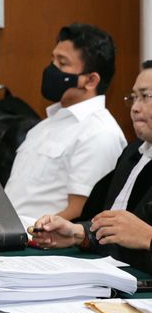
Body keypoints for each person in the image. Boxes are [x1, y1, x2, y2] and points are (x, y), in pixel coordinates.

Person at [30, 61, 152, 272]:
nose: (135, 107)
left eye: (146, 96)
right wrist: (78, 234)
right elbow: (116, 231)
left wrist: (148, 237)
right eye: (133, 97)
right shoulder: (134, 153)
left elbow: (137, 235)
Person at [4, 23, 126, 228]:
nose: (51, 70)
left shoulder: (100, 133)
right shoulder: (45, 126)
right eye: (53, 60)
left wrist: (30, 232)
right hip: (9, 237)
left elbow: (81, 211)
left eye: (62, 64)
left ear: (90, 80)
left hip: (41, 246)